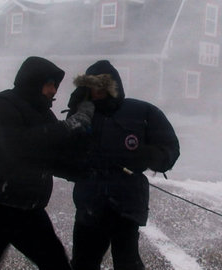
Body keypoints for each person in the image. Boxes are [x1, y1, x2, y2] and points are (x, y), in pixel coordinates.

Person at [0, 56, 94, 270]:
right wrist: (69, 126)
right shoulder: (1, 103)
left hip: (29, 211)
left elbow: (55, 158)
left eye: (56, 85)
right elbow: (17, 146)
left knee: (57, 265)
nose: (54, 90)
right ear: (34, 81)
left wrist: (89, 170)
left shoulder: (46, 116)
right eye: (50, 84)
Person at [64, 60, 180, 270]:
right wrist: (74, 111)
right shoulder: (82, 114)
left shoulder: (143, 112)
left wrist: (151, 156)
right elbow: (62, 148)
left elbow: (170, 147)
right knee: (82, 264)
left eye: (101, 85)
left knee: (127, 263)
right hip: (89, 203)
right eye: (91, 86)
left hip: (126, 204)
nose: (96, 91)